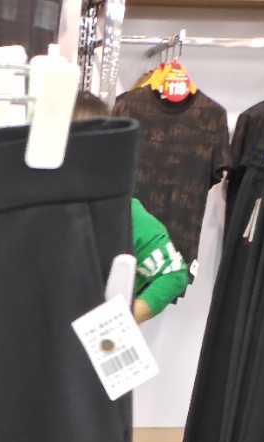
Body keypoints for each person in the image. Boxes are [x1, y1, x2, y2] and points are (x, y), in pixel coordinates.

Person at [74, 90, 190, 323]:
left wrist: (120, 321)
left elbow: (173, 274)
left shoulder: (123, 212)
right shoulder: (33, 206)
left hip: (91, 340)